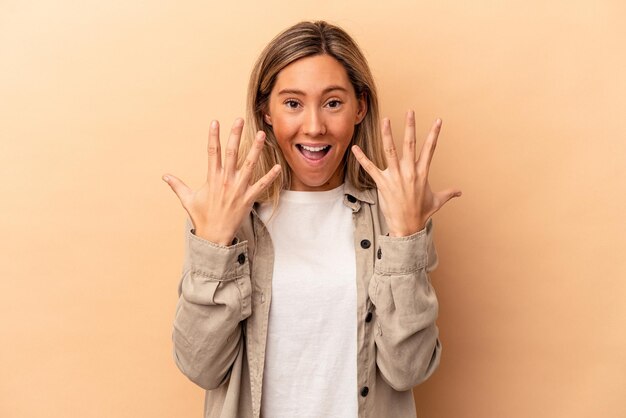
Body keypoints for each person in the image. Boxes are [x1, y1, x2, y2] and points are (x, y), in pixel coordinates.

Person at [162, 20, 461, 418]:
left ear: (360, 108)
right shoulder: (230, 217)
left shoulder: (393, 215)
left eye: (333, 102)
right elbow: (200, 366)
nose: (315, 126)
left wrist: (406, 238)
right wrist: (214, 245)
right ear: (265, 112)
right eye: (292, 103)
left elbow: (408, 370)